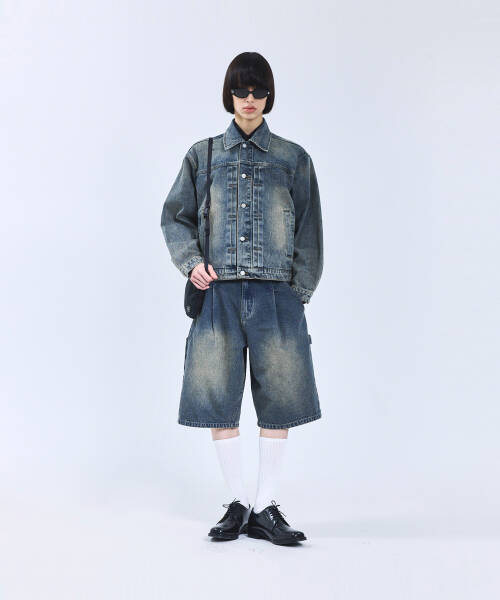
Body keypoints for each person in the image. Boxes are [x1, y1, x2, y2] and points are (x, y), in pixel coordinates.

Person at [160, 52, 323, 545]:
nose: (249, 100)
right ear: (228, 95)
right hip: (219, 295)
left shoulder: (293, 159)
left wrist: (297, 293)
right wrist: (192, 262)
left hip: (277, 296)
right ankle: (238, 502)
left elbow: (310, 230)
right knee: (217, 397)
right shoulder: (203, 155)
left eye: (258, 91)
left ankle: (266, 505)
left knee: (281, 399)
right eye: (241, 91)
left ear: (269, 96)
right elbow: (175, 217)